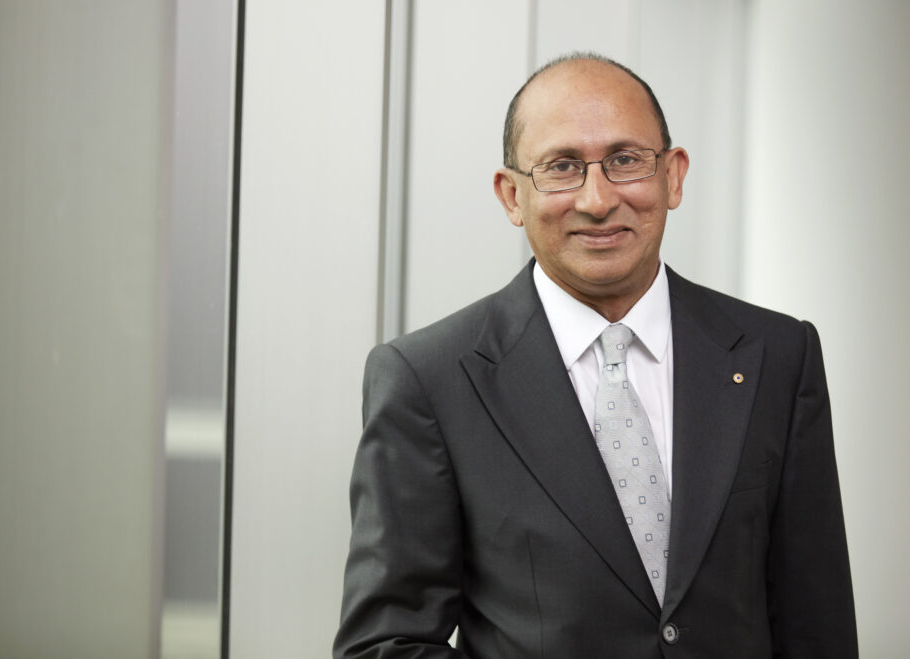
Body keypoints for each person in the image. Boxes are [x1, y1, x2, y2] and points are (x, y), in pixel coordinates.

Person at [334, 52, 857, 658]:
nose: (598, 199)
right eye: (561, 167)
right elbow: (385, 644)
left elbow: (816, 624)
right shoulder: (429, 381)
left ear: (673, 176)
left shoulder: (778, 355)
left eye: (626, 160)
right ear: (511, 195)